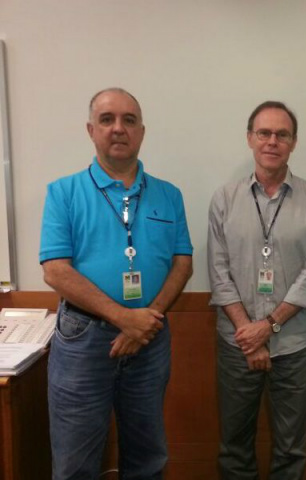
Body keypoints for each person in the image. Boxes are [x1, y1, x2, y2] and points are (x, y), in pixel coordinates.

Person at [39, 87, 193, 479]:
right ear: (91, 130)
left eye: (129, 120)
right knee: (76, 463)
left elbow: (183, 264)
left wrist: (145, 321)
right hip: (83, 338)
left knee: (147, 457)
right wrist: (125, 318)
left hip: (150, 338)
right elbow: (55, 269)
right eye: (107, 120)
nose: (118, 128)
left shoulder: (168, 195)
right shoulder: (63, 193)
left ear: (142, 131)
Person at [208, 101, 306, 479]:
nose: (272, 141)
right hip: (236, 343)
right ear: (250, 139)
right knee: (234, 445)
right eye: (264, 133)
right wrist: (251, 333)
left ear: (293, 142)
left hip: (294, 345)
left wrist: (269, 327)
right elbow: (218, 271)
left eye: (282, 134)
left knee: (291, 449)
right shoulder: (225, 199)